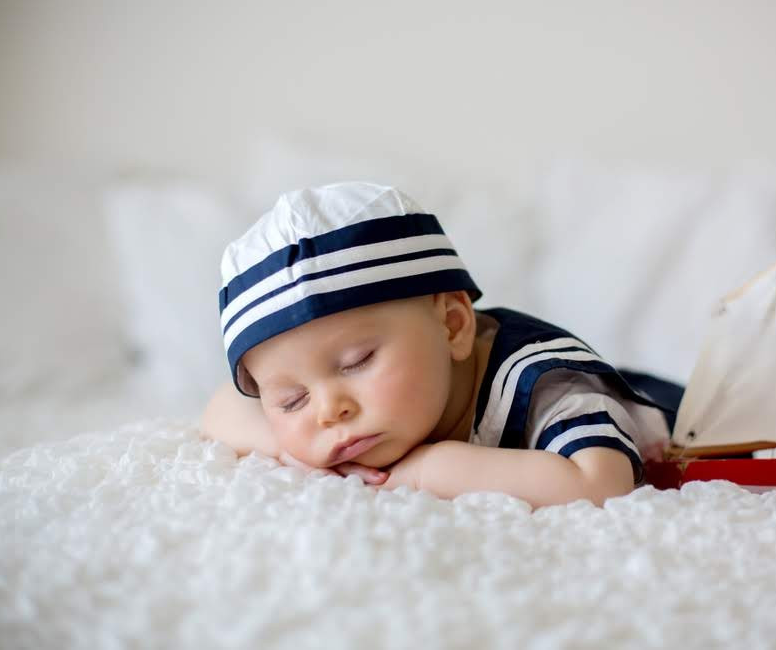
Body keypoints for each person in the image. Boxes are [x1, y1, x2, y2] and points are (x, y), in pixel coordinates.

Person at [202, 182, 684, 508]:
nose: (328, 410)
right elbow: (220, 409)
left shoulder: (544, 384)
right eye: (292, 399)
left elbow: (600, 482)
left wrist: (429, 467)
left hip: (679, 418)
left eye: (357, 362)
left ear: (453, 326)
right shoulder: (333, 417)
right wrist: (291, 447)